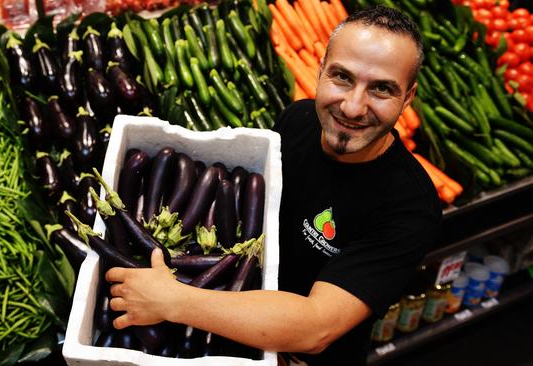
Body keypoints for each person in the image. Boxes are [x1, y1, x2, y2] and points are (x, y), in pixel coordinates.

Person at [105, 6, 442, 365]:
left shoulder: (411, 208)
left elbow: (316, 327)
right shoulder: (298, 120)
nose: (354, 106)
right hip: (225, 316)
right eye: (342, 77)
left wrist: (173, 300)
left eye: (382, 89)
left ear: (407, 97)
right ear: (321, 69)